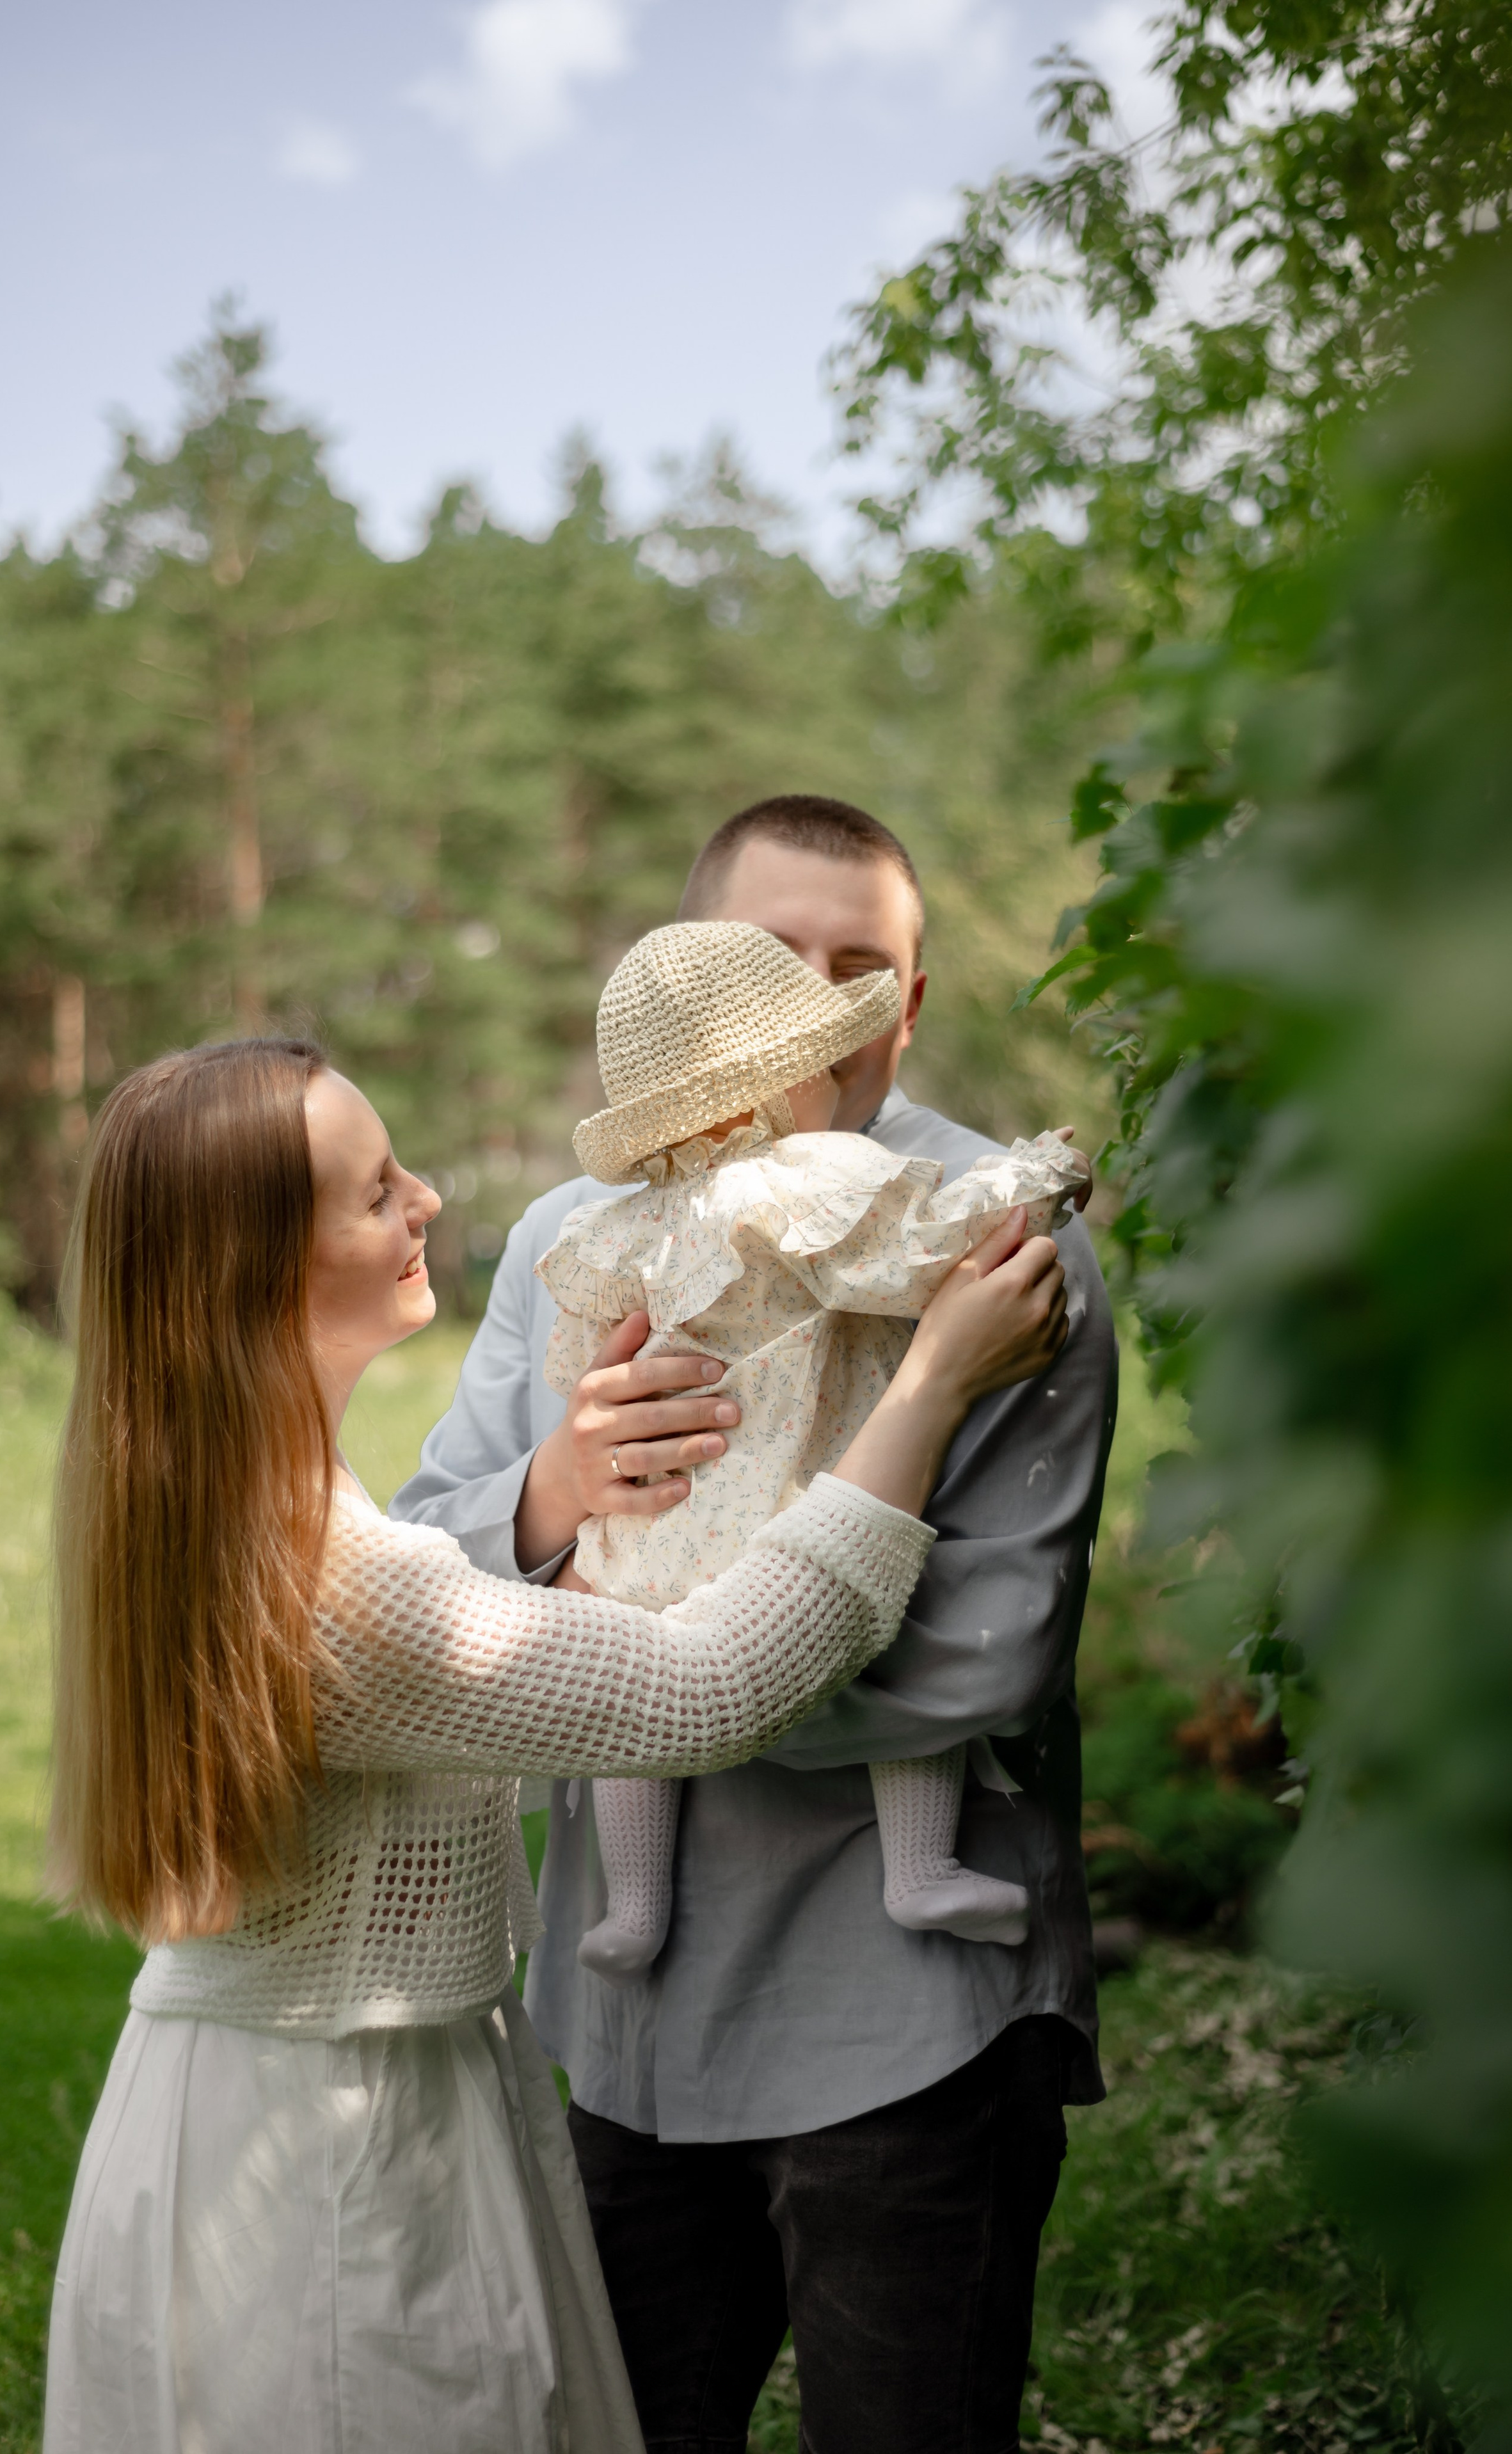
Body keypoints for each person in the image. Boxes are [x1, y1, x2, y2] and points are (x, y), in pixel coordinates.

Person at [40, 1031, 1070, 2454]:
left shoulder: (220, 1504)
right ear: (255, 1266)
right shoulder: (332, 1576)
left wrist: (567, 1496)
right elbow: (708, 1690)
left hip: (235, 2116)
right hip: (342, 2173)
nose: (427, 1203)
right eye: (373, 1189)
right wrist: (925, 1389)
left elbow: (468, 1678)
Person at [392, 795, 1118, 2454]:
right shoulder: (581, 1242)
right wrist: (561, 1494)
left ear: (911, 1003)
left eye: (863, 966)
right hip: (622, 2026)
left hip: (907, 2014)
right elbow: (431, 1560)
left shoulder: (995, 1251)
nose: (818, 1001)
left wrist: (625, 1670)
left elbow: (987, 1656)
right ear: (690, 966)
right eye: (776, 954)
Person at [534, 918, 1093, 1980]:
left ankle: (635, 1901)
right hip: (804, 1490)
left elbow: (581, 1357)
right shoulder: (797, 1180)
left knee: (632, 1673)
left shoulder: (635, 1219)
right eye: (818, 1063)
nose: (838, 1079)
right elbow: (927, 1244)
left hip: (676, 1503)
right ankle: (920, 1868)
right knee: (883, 1620)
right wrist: (1041, 1177)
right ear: (764, 1097)